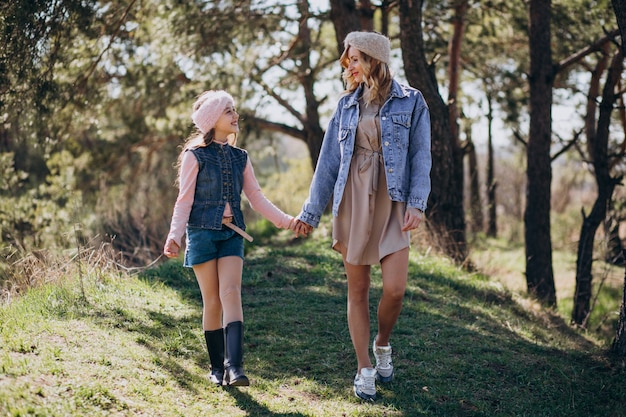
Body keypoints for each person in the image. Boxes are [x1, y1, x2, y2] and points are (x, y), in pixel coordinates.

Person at [294, 31, 432, 401]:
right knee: (357, 290)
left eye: (354, 58)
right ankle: (363, 369)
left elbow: (421, 156)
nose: (348, 65)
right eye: (348, 59)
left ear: (374, 60)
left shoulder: (412, 102)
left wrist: (417, 203)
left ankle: (382, 344)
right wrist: (311, 212)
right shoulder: (345, 106)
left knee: (395, 289)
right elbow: (327, 164)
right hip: (353, 199)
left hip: (393, 199)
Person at [164, 90, 297, 387]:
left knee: (231, 293)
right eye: (228, 111)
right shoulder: (194, 156)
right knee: (212, 301)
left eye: (234, 110)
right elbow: (183, 201)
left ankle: (235, 368)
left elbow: (257, 198)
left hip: (232, 234)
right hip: (201, 235)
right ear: (212, 120)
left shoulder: (241, 158)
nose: (235, 115)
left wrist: (287, 222)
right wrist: (174, 236)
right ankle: (216, 369)